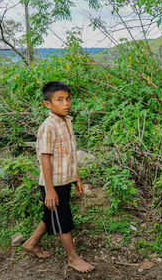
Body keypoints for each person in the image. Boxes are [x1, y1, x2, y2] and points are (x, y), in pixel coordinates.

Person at [23, 81, 94, 273]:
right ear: (48, 104)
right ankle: (73, 258)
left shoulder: (66, 121)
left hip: (65, 180)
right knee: (62, 219)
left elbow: (70, 155)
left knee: (51, 214)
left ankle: (31, 243)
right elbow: (44, 159)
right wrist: (50, 190)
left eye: (68, 98)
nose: (66, 103)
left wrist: (77, 178)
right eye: (60, 100)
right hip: (52, 183)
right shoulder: (48, 127)